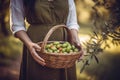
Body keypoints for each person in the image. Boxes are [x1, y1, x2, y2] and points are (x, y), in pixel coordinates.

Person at [10, 0, 81, 80]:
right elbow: (17, 25)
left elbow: (72, 23)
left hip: (63, 48)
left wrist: (76, 40)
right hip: (36, 45)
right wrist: (29, 44)